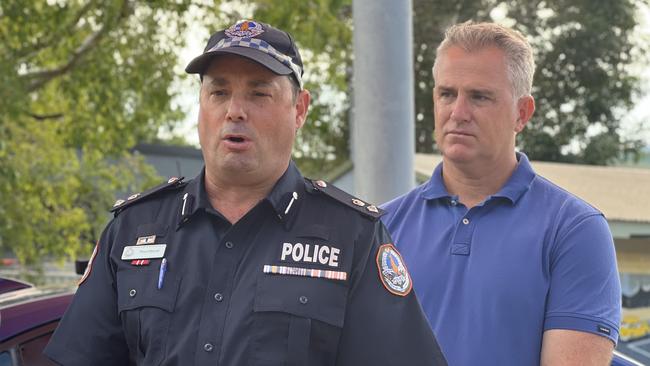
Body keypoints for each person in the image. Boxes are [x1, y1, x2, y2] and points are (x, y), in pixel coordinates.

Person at [44, 20, 447, 366]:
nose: (235, 110)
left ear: (300, 109)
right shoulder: (133, 230)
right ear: (200, 106)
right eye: (219, 92)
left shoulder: (352, 237)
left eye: (258, 93)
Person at [381, 21, 621, 366]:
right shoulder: (380, 227)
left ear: (522, 113)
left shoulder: (575, 230)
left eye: (479, 97)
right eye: (447, 94)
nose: (457, 113)